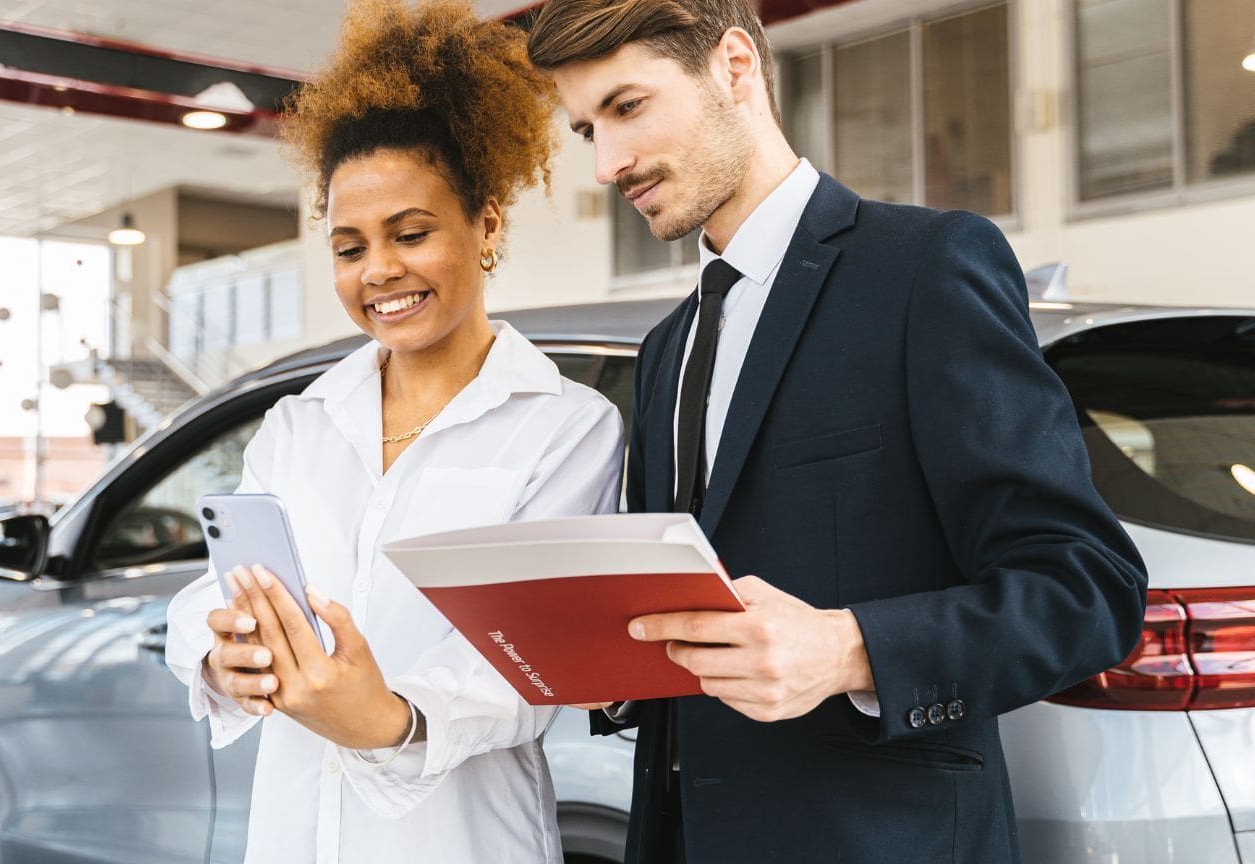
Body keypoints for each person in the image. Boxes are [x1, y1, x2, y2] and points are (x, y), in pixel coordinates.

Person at [526, 1, 1149, 861]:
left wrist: (849, 649)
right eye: (587, 131)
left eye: (627, 108)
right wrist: (613, 667)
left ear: (735, 67)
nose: (607, 164)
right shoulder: (668, 346)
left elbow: (1087, 592)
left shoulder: (924, 269)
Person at [163, 2, 624, 862]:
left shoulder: (565, 428)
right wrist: (222, 655)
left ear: (487, 225)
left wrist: (388, 718)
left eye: (411, 234)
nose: (379, 270)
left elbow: (531, 666)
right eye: (349, 248)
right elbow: (217, 592)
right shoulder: (298, 424)